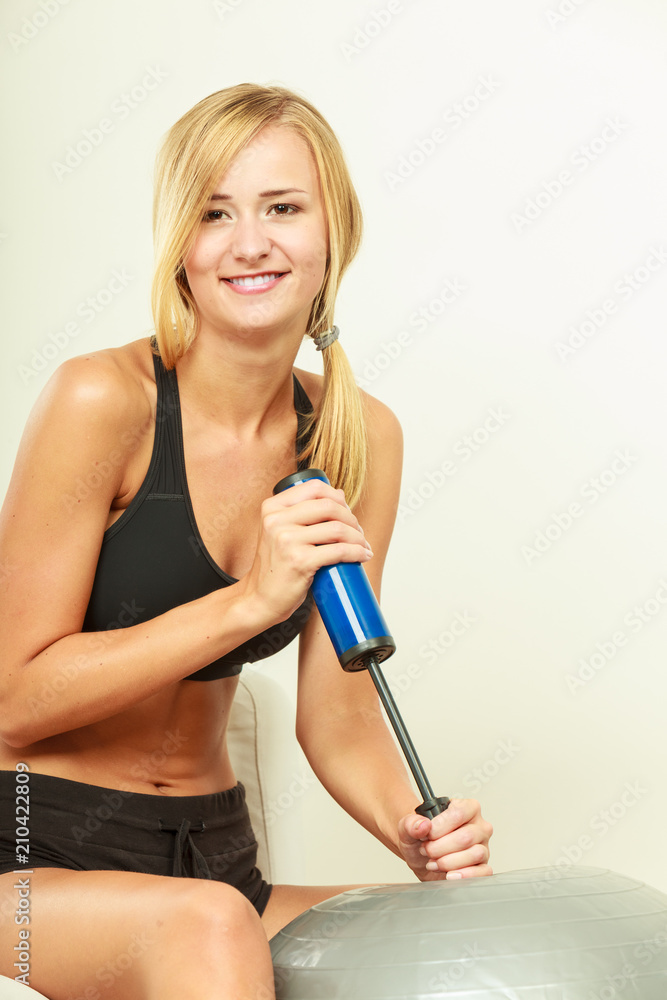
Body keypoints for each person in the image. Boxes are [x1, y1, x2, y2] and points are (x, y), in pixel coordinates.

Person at [0, 83, 492, 1000]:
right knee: (209, 922)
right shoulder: (102, 400)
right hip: (29, 854)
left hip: (216, 858)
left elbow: (338, 716)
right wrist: (248, 601)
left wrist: (414, 828)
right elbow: (14, 700)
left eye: (282, 208)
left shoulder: (357, 436)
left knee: (473, 939)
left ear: (333, 232)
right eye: (214, 212)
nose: (250, 242)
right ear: (179, 246)